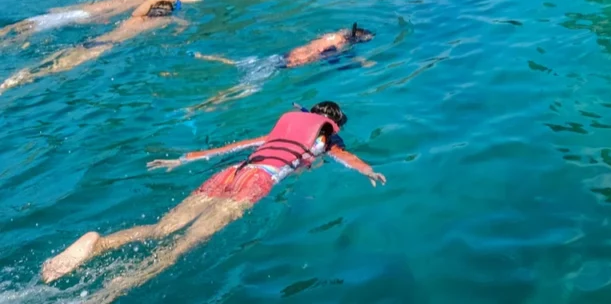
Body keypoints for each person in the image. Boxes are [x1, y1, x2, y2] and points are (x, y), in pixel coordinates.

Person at [40, 101, 385, 302]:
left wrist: (184, 158)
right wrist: (368, 170)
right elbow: (346, 158)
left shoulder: (280, 131)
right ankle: (108, 293)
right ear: (332, 125)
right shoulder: (327, 140)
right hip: (258, 180)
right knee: (184, 245)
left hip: (233, 171)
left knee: (161, 228)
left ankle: (99, 243)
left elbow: (231, 147)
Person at [0, 0, 197, 95]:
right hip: (104, 46)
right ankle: (17, 81)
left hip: (92, 41)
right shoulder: (162, 22)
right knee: (52, 71)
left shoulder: (137, 18)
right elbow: (184, 27)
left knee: (50, 60)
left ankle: (17, 77)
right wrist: (179, 9)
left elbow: (149, 3)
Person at [189, 24, 376, 110]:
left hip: (278, 57)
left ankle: (204, 56)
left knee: (237, 62)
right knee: (246, 89)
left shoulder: (331, 35)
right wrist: (360, 62)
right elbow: (333, 60)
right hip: (282, 65)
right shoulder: (337, 45)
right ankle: (203, 105)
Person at [0, 0, 163, 42]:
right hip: (78, 12)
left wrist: (95, 18)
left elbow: (117, 10)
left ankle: (6, 43)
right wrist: (66, 9)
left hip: (82, 15)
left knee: (28, 28)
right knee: (26, 25)